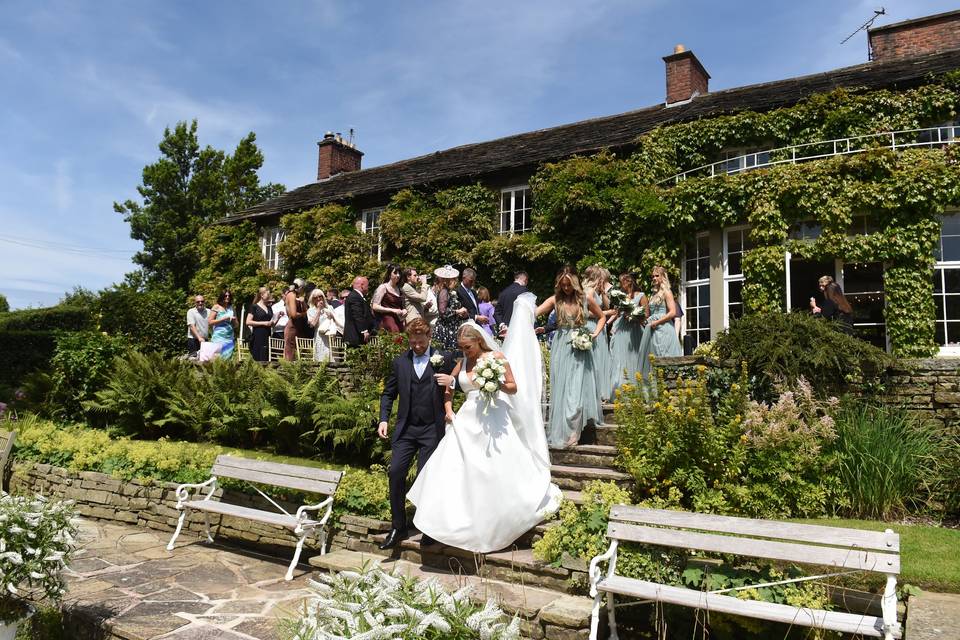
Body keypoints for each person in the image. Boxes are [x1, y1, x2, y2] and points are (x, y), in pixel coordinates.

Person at [408, 298, 563, 553]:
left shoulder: (496, 357)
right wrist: (448, 409)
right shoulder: (463, 362)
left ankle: (497, 518)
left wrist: (495, 381)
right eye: (461, 347)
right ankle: (449, 523)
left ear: (479, 341)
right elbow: (449, 386)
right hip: (467, 417)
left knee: (491, 468)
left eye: (467, 347)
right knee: (451, 468)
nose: (465, 352)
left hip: (493, 417)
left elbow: (513, 388)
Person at [376, 319, 457, 549]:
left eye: (421, 342)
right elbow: (388, 393)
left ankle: (428, 528)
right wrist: (384, 418)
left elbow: (457, 384)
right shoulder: (400, 362)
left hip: (432, 428)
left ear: (429, 337)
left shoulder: (444, 358)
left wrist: (451, 383)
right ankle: (398, 527)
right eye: (413, 342)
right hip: (407, 428)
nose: (417, 347)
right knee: (396, 472)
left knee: (426, 478)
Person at [536, 267, 606, 448]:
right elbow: (534, 313)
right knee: (563, 389)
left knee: (576, 391)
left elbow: (601, 317)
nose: (566, 288)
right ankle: (565, 430)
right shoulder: (555, 300)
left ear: (575, 283)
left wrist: (593, 335)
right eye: (563, 285)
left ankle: (574, 433)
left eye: (569, 285)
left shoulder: (585, 299)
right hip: (561, 348)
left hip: (580, 348)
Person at [637, 266, 684, 385]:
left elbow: (673, 312)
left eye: (657, 275)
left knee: (662, 355)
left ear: (663, 277)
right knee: (652, 358)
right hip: (652, 329)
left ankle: (667, 388)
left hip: (663, 329)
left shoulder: (667, 292)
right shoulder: (653, 294)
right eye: (653, 276)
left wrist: (657, 322)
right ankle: (654, 389)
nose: (654, 278)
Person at [609, 272, 645, 394]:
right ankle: (621, 389)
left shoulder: (641, 296)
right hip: (622, 329)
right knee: (620, 357)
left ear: (629, 282)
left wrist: (634, 316)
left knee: (635, 357)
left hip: (635, 329)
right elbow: (616, 313)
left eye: (622, 282)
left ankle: (636, 389)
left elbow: (646, 316)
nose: (620, 285)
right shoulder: (621, 297)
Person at [584, 265, 613, 402]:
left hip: (599, 327)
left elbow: (606, 306)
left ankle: (600, 391)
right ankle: (593, 392)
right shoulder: (588, 291)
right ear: (596, 278)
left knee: (600, 358)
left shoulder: (597, 291)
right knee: (594, 359)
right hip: (592, 326)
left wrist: (603, 292)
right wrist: (605, 314)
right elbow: (585, 312)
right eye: (601, 278)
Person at [433, 265, 467, 350]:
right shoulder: (444, 292)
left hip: (451, 327)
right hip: (446, 329)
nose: (456, 281)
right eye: (454, 279)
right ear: (449, 280)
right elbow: (442, 311)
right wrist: (458, 311)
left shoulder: (448, 292)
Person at [372, 264, 406, 333]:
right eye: (395, 273)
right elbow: (375, 306)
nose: (398, 275)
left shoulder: (400, 290)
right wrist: (393, 310)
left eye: (399, 273)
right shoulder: (383, 287)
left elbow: (402, 306)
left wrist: (405, 310)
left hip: (399, 321)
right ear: (389, 274)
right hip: (387, 322)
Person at [343, 276, 377, 347]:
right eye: (367, 285)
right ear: (362, 285)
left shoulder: (358, 296)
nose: (368, 288)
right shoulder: (354, 297)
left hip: (358, 337)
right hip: (356, 337)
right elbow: (357, 315)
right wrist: (364, 331)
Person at [245, 287, 275, 362]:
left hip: (267, 335)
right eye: (267, 295)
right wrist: (263, 323)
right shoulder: (254, 307)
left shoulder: (269, 308)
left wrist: (277, 318)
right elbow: (248, 322)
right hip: (258, 335)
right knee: (259, 358)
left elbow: (270, 324)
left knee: (267, 357)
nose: (269, 297)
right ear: (262, 295)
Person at [307, 288, 336, 362]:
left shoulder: (329, 308)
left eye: (320, 296)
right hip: (320, 336)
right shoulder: (311, 310)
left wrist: (331, 316)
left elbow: (336, 321)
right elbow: (312, 325)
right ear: (312, 299)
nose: (318, 299)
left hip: (330, 334)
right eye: (315, 297)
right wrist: (318, 310)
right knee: (321, 358)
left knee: (332, 357)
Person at [208, 290, 238, 360]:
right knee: (217, 358)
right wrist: (223, 319)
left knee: (228, 358)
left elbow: (236, 325)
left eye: (229, 296)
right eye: (225, 296)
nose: (227, 297)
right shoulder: (216, 307)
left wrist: (234, 321)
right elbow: (210, 322)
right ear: (222, 297)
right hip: (218, 337)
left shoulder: (232, 308)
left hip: (229, 338)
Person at [283, 278, 308, 361]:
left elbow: (306, 310)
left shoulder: (298, 296)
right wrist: (304, 314)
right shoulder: (291, 295)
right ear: (300, 288)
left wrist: (303, 302)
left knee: (300, 353)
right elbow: (293, 314)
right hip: (292, 327)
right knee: (290, 354)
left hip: (299, 327)